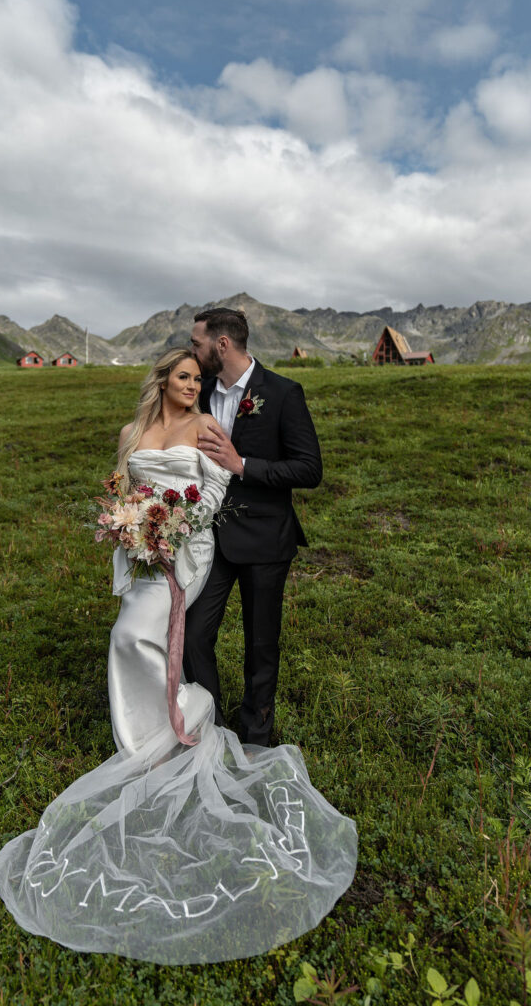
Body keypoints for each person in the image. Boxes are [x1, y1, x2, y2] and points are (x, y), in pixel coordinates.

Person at [0, 348, 356, 965]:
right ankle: (150, 736)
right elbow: (124, 491)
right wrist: (131, 528)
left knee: (133, 636)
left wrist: (174, 531)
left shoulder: (207, 428)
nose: (193, 386)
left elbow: (215, 488)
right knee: (140, 638)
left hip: (188, 547)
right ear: (163, 380)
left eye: (198, 378)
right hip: (145, 551)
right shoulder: (133, 433)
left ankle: (179, 723)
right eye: (183, 377)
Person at [185, 308, 322, 745]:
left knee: (261, 645)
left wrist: (242, 465)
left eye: (196, 342)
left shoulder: (282, 393)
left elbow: (308, 469)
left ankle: (256, 737)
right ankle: (211, 729)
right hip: (211, 540)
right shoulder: (199, 391)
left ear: (220, 344)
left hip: (265, 540)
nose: (192, 350)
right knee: (193, 636)